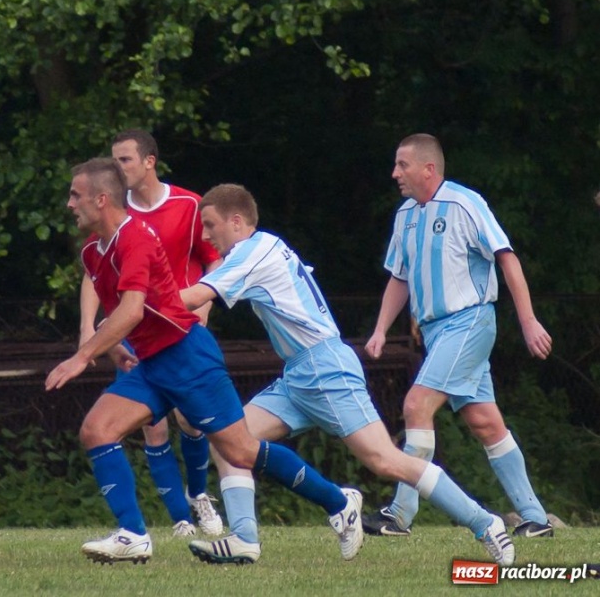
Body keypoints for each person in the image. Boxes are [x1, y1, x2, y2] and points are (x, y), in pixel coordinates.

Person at [179, 183, 515, 566]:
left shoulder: (251, 252)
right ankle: (245, 538)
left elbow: (193, 298)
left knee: (385, 460)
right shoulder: (260, 247)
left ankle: (484, 522)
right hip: (300, 372)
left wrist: (139, 300)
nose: (206, 235)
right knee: (231, 442)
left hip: (326, 369)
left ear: (237, 222)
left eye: (211, 225)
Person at [47, 158, 363, 565]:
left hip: (187, 356)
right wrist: (113, 347)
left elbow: (132, 310)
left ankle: (339, 503)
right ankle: (133, 535)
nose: (70, 204)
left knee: (242, 452)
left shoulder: (136, 238)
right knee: (97, 430)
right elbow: (122, 311)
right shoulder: (93, 251)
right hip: (151, 362)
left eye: (76, 195)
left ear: (102, 199)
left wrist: (83, 355)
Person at [361, 133, 554, 538]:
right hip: (437, 333)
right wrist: (380, 329)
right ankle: (536, 518)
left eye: (402, 165)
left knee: (416, 405)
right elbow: (400, 277)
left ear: (428, 169)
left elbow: (507, 258)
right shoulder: (405, 214)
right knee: (485, 423)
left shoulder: (465, 203)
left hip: (469, 322)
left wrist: (528, 320)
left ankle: (399, 515)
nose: (395, 173)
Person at [79, 129, 223, 537]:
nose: (117, 167)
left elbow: (214, 261)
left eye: (124, 159)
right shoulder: (114, 212)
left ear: (149, 162)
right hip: (133, 330)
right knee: (152, 427)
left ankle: (199, 496)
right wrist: (87, 328)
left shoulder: (188, 205)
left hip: (180, 329)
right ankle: (180, 519)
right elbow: (94, 273)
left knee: (191, 421)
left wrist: (203, 309)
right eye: (113, 160)